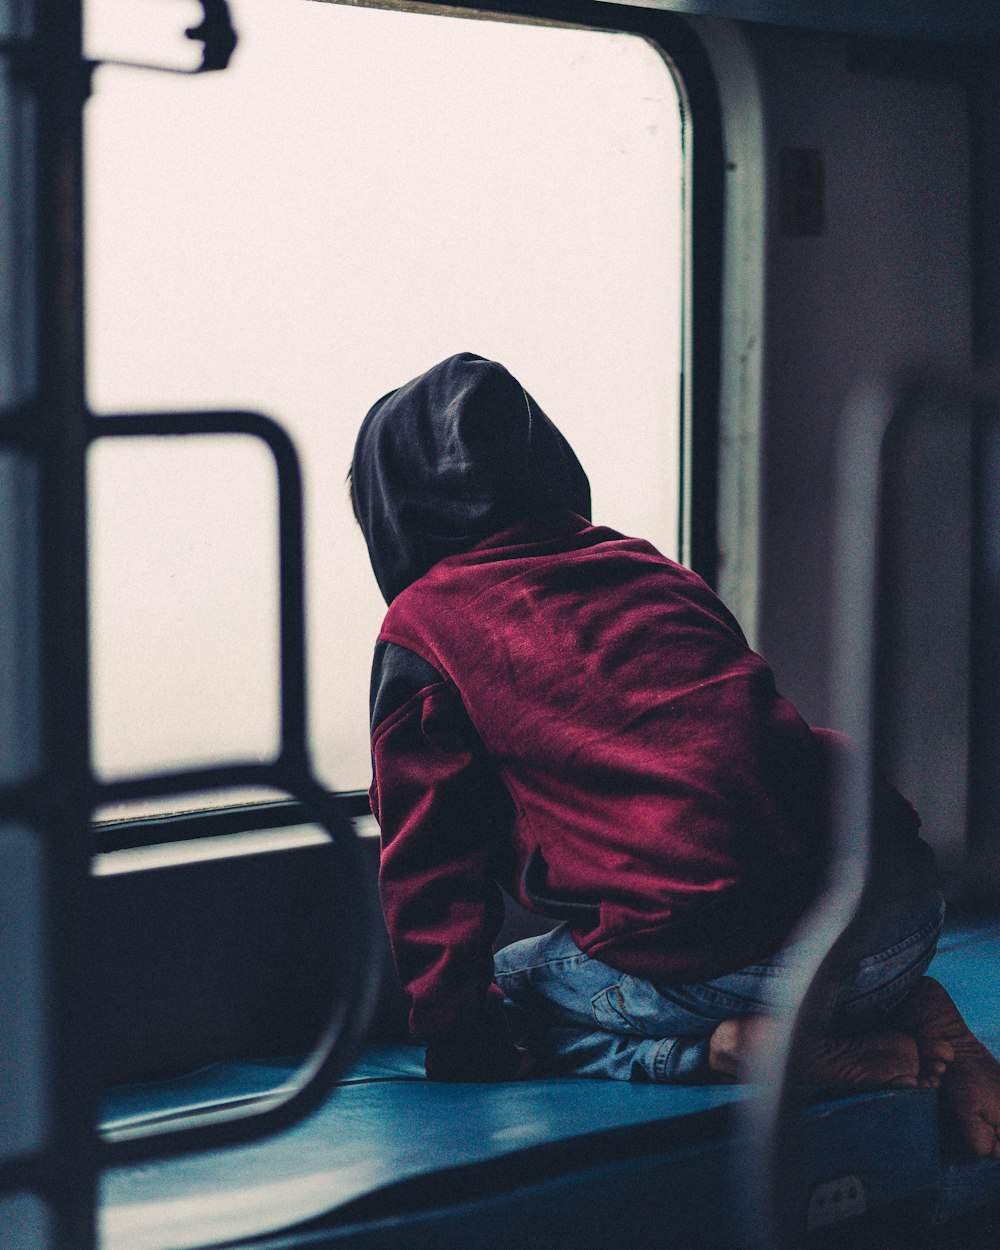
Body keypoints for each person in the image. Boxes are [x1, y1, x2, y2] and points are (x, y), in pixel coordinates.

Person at [350, 352, 1000, 1159]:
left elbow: (429, 868)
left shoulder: (425, 627)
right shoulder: (642, 564)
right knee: (781, 928)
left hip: (735, 965)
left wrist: (461, 1043)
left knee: (514, 986)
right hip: (891, 916)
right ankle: (906, 1010)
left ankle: (725, 1052)